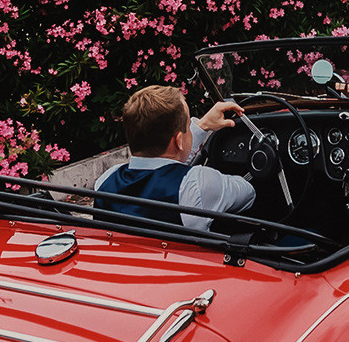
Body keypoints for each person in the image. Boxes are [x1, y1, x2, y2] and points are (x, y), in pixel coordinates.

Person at [96, 85, 255, 233]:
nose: (189, 130)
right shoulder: (198, 184)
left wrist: (202, 126)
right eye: (187, 125)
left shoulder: (104, 181)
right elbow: (248, 194)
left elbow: (166, 162)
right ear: (178, 140)